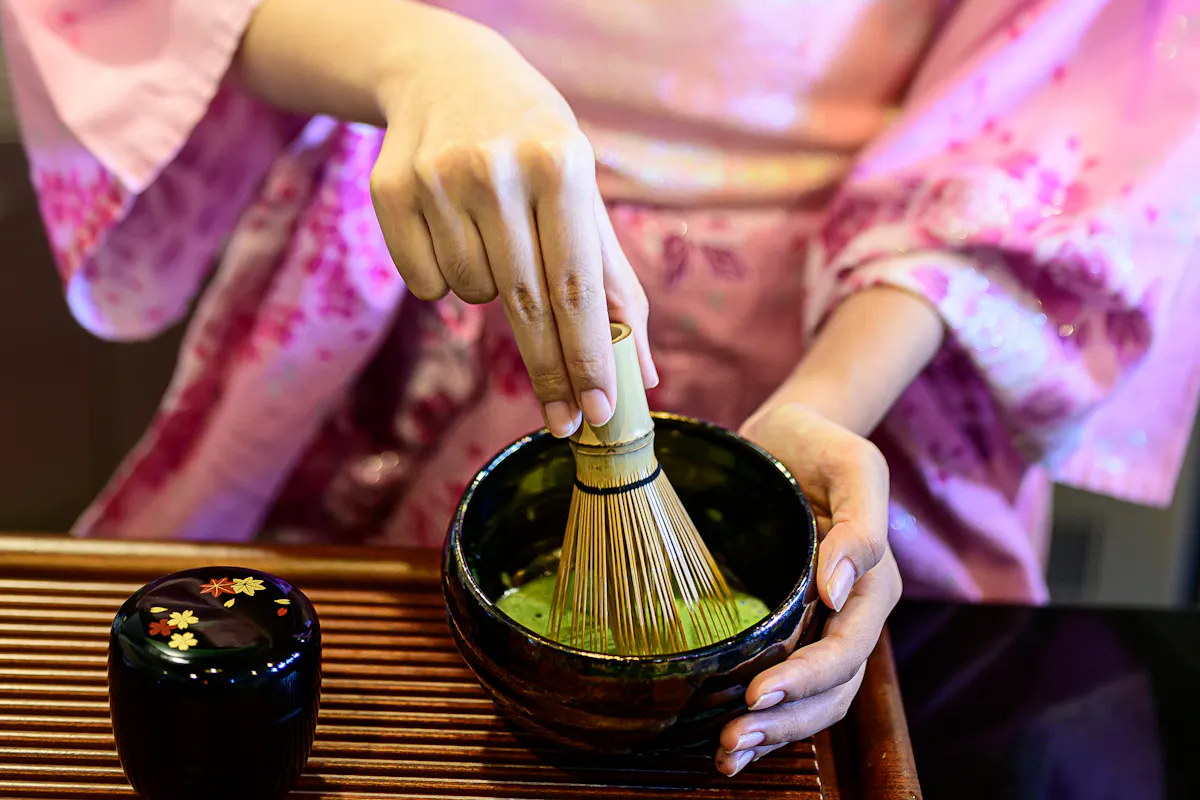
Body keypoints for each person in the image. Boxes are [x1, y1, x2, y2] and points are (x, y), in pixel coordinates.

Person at [3, 0, 1199, 777]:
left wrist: (828, 405)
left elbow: (1075, 82)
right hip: (442, 272)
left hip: (858, 337)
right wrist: (419, 55)